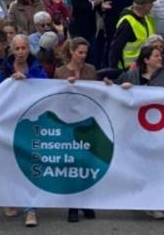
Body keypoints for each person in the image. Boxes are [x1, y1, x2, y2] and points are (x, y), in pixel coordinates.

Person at [0, 34, 47, 227]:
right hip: (9, 124)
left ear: (28, 49)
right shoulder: (4, 68)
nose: (20, 52)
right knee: (10, 164)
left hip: (31, 124)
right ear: (12, 49)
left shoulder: (37, 67)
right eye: (17, 48)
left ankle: (31, 209)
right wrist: (10, 81)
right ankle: (11, 198)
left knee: (30, 163)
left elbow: (46, 87)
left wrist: (28, 79)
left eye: (24, 48)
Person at [54, 37, 99, 222]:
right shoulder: (60, 72)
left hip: (88, 121)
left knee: (87, 163)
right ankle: (72, 205)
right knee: (72, 164)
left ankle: (86, 201)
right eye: (80, 52)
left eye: (85, 53)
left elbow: (97, 93)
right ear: (72, 52)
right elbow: (54, 97)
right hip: (68, 122)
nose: (83, 56)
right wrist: (67, 86)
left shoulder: (90, 70)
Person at [109, 0, 157, 69]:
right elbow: (116, 48)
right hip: (127, 69)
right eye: (150, 3)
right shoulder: (127, 22)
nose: (152, 6)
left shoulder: (145, 18)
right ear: (144, 5)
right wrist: (113, 70)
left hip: (142, 66)